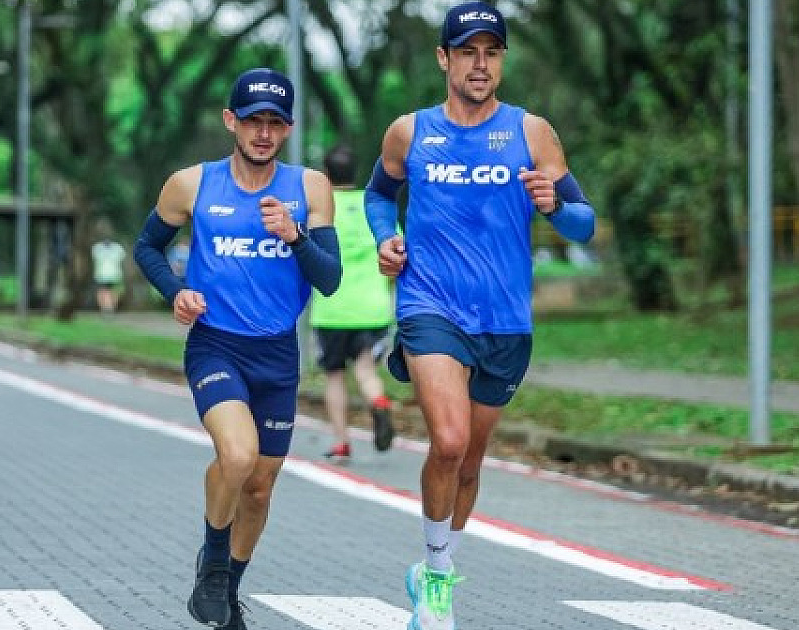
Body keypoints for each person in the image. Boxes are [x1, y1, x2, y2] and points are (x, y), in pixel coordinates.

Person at [364, 4, 596, 629]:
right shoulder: (409, 132)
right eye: (467, 52)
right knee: (450, 439)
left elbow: (585, 220)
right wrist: (386, 238)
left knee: (469, 463)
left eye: (492, 52)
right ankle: (439, 592)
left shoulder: (532, 133)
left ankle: (431, 570)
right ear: (444, 58)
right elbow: (379, 193)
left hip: (505, 321)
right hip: (429, 305)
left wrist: (555, 206)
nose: (480, 64)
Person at [133, 67, 341, 630]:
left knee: (259, 485)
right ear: (232, 122)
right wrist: (176, 292)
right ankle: (213, 566)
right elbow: (147, 247)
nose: (264, 133)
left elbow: (330, 280)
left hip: (277, 354)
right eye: (254, 121)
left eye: (275, 122)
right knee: (239, 454)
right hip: (216, 344)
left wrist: (295, 237)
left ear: (289, 128)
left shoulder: (310, 188)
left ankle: (229, 594)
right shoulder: (191, 185)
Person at [309, 144, 396, 460]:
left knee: (334, 375)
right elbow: (395, 248)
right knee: (364, 368)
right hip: (372, 308)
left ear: (326, 174)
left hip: (331, 310)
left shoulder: (320, 208)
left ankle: (342, 441)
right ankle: (379, 403)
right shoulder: (373, 205)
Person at [91, 232, 127, 314]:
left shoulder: (117, 248)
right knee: (103, 292)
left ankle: (109, 307)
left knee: (113, 292)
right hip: (101, 275)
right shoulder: (97, 248)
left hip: (114, 275)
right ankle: (106, 307)